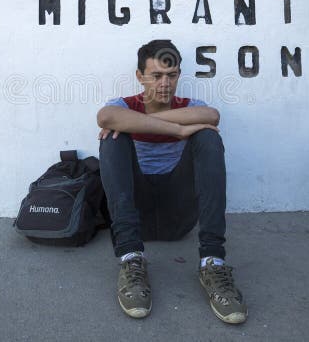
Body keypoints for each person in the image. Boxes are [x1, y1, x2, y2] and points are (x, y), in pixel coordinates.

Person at [96, 39, 247, 324]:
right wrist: (177, 128)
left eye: (172, 75)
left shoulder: (191, 105)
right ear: (140, 76)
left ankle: (213, 262)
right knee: (112, 139)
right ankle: (131, 258)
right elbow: (106, 116)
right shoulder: (123, 105)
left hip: (178, 213)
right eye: (156, 76)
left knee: (208, 135)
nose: (165, 83)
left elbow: (211, 116)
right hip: (134, 213)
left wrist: (138, 121)